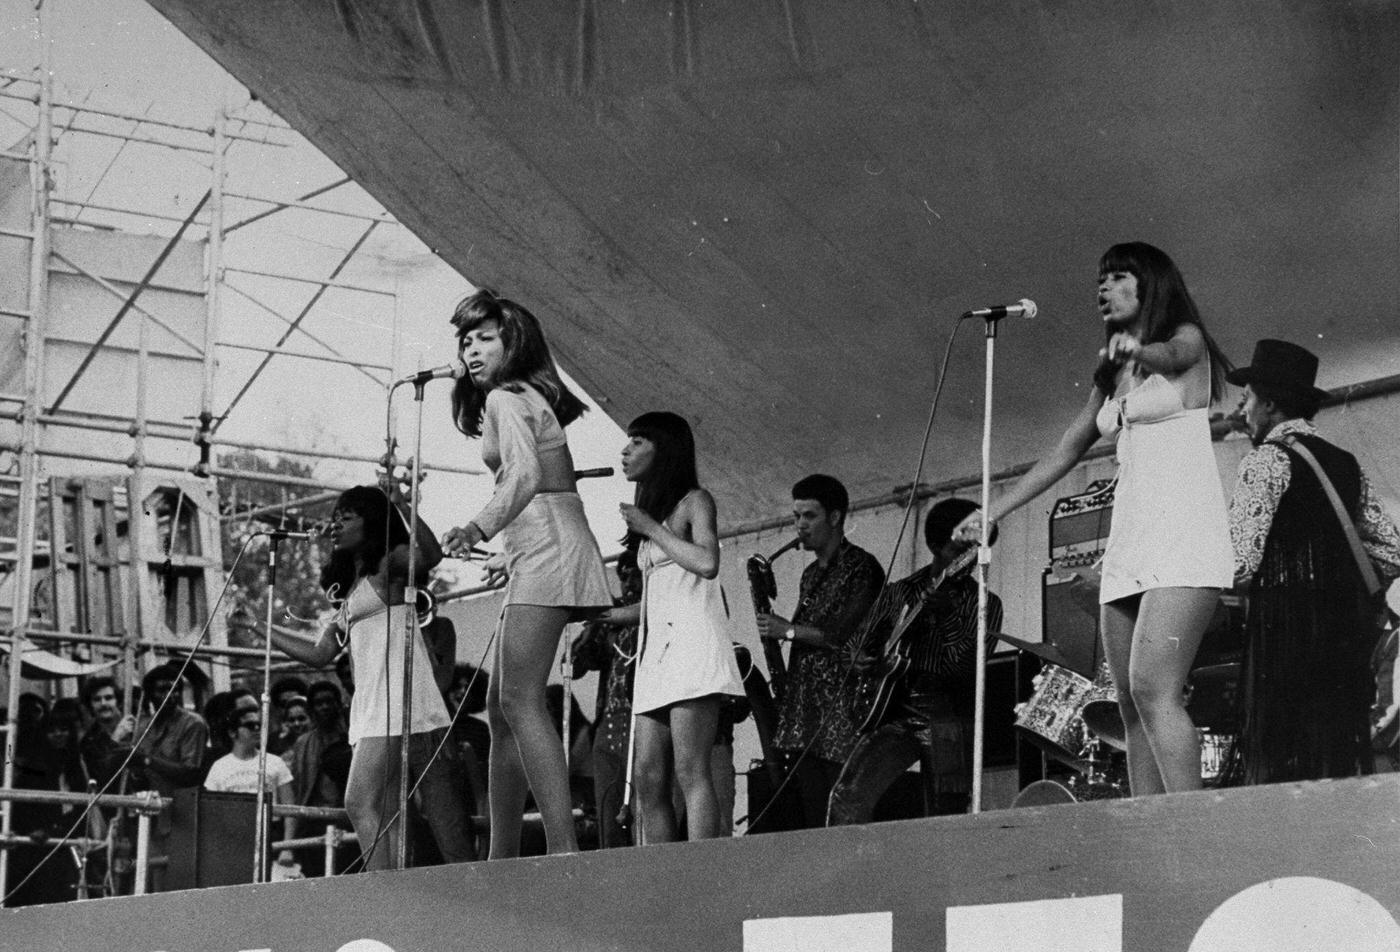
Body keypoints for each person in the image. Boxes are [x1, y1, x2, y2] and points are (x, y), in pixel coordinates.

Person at [957, 241, 1234, 796]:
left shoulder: (1186, 339)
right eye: (1100, 281)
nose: (1103, 289)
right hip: (1131, 543)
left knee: (1155, 687)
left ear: (1150, 283)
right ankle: (1148, 825)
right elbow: (1066, 449)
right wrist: (993, 509)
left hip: (1185, 536)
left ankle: (1191, 824)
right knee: (1127, 701)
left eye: (1118, 277)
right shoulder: (1109, 373)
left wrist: (1139, 350)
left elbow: (1173, 356)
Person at [439, 289, 612, 858]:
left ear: (513, 343)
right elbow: (544, 491)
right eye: (466, 341)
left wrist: (478, 527)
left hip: (549, 547)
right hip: (543, 544)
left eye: (485, 338)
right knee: (502, 706)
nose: (471, 351)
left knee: (519, 699)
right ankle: (504, 852)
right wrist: (508, 551)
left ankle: (561, 847)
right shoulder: (520, 397)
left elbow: (526, 476)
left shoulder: (505, 398)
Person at [270, 485, 475, 870]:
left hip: (398, 704)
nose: (335, 525)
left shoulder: (387, 565)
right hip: (373, 708)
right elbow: (320, 653)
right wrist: (261, 627)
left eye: (346, 518)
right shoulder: (351, 587)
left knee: (364, 803)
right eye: (334, 518)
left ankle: (383, 888)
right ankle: (391, 886)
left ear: (371, 523)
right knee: (384, 812)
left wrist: (401, 503)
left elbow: (430, 555)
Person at [1224, 339, 1400, 784]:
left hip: (1284, 629)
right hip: (1343, 631)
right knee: (1334, 756)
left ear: (1269, 404)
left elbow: (1241, 565)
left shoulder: (1265, 460)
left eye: (1247, 399)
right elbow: (1391, 551)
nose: (1242, 412)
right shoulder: (1346, 463)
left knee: (1277, 756)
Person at [594, 412, 744, 843]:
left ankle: (701, 868)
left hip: (692, 648)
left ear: (665, 449)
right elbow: (662, 598)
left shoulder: (696, 501)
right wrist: (599, 614)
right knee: (647, 777)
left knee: (691, 770)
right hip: (659, 653)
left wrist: (650, 528)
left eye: (638, 441)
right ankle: (663, 870)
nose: (626, 451)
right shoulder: (655, 516)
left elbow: (707, 562)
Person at [828, 499, 1002, 825]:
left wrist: (948, 616)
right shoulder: (899, 592)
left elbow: (968, 668)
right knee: (847, 797)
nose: (971, 558)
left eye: (978, 550)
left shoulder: (986, 604)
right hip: (895, 713)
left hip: (950, 717)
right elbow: (852, 645)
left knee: (946, 818)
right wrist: (859, 658)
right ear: (934, 545)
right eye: (961, 549)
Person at [758, 474, 885, 828]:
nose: (800, 525)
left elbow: (845, 634)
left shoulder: (862, 567)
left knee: (841, 812)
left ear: (835, 517)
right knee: (811, 814)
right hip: (805, 712)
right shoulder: (811, 574)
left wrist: (789, 630)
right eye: (796, 516)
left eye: (809, 516)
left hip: (842, 712)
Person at [571, 550, 642, 849]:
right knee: (608, 817)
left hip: (643, 723)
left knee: (641, 811)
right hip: (608, 725)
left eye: (635, 573)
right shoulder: (611, 618)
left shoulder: (657, 611)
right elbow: (574, 667)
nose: (628, 582)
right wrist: (594, 627)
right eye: (622, 576)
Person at [130, 662, 210, 890]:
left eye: (174, 689)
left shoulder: (193, 724)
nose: (170, 695)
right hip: (150, 815)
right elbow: (137, 774)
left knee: (178, 881)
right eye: (162, 690)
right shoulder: (143, 727)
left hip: (181, 814)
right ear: (149, 695)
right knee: (151, 879)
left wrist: (147, 760)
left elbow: (190, 772)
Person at [204, 707, 299, 872]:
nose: (256, 729)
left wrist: (287, 847)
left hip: (271, 832)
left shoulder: (275, 763)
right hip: (234, 836)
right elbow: (211, 815)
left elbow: (290, 809)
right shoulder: (219, 767)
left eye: (259, 725)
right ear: (232, 732)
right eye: (250, 725)